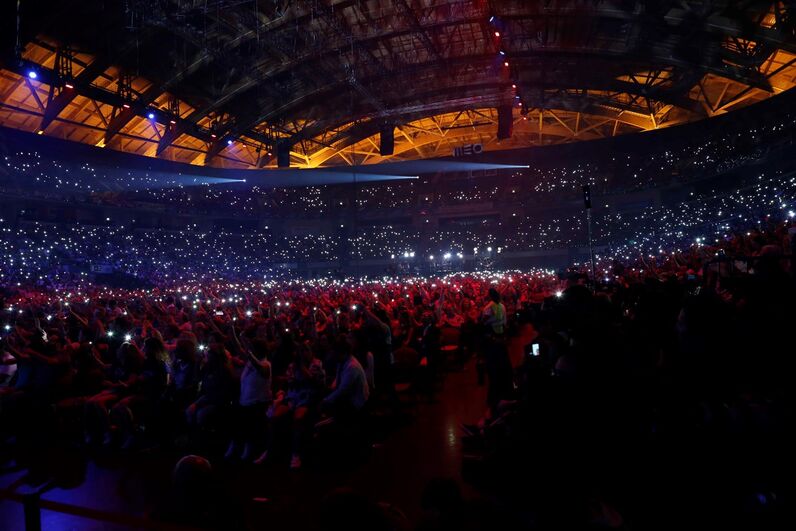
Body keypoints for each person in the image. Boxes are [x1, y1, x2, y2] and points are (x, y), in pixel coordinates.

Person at [259, 340, 324, 468]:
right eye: (302, 351)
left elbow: (316, 383)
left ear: (311, 352)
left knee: (298, 419)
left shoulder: (317, 364)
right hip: (292, 398)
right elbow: (291, 382)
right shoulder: (292, 366)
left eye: (306, 351)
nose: (304, 354)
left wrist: (302, 370)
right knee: (274, 417)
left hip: (307, 399)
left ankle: (296, 454)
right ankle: (269, 450)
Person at [226, 338, 272, 462]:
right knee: (236, 421)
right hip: (245, 400)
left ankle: (248, 447)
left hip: (258, 402)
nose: (250, 351)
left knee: (249, 425)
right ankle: (235, 444)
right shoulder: (250, 362)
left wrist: (249, 354)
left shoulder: (266, 364)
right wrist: (233, 334)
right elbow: (240, 349)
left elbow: (261, 370)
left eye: (252, 349)